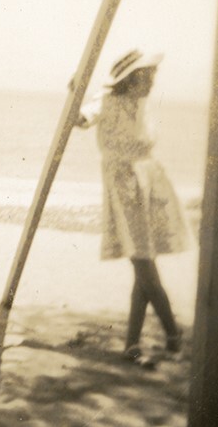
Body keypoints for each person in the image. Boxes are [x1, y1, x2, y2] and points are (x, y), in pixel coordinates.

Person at [75, 49, 191, 363]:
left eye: (153, 74)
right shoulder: (106, 101)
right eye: (146, 74)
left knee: (145, 264)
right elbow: (81, 119)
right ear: (130, 78)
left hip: (150, 182)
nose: (152, 81)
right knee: (143, 263)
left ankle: (131, 343)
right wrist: (74, 94)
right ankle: (173, 334)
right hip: (125, 187)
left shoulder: (141, 103)